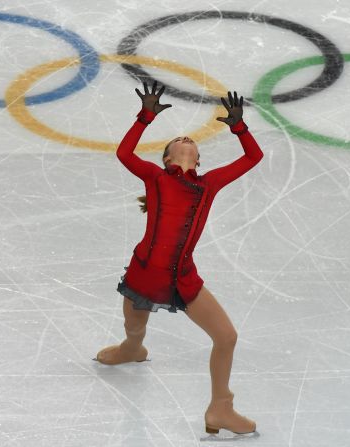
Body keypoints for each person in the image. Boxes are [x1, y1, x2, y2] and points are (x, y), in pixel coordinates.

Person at [95, 81, 263, 437]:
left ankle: (221, 408)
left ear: (198, 160)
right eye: (178, 142)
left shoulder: (209, 184)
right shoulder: (155, 178)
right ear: (168, 157)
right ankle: (132, 348)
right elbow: (125, 155)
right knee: (135, 326)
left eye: (191, 142)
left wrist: (239, 128)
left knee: (227, 337)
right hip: (145, 274)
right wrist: (145, 118)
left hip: (182, 278)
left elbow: (253, 158)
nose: (186, 140)